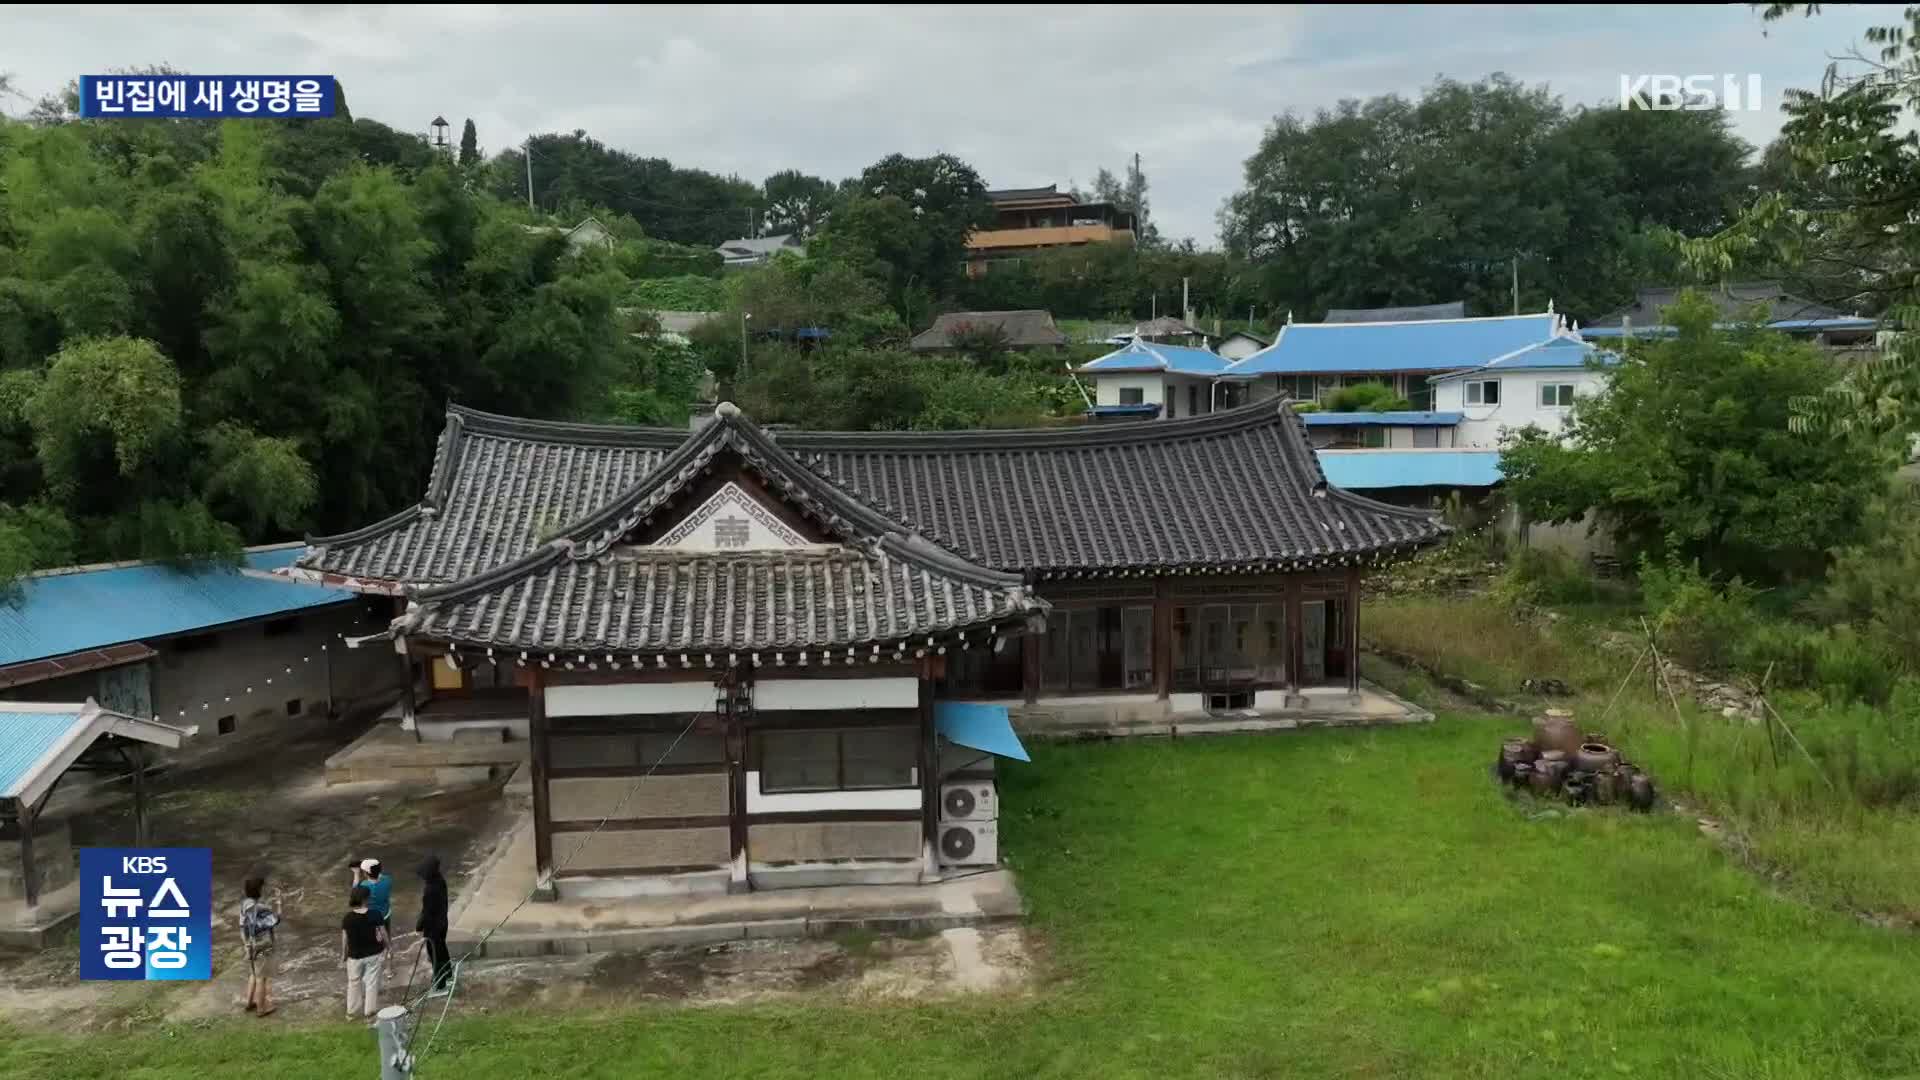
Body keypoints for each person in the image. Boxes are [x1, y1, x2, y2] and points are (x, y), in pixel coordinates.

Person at [340, 884, 387, 1021]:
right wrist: (389, 947)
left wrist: (343, 955)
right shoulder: (375, 914)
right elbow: (383, 933)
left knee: (354, 982)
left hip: (354, 956)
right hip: (374, 954)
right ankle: (370, 1013)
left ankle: (351, 1013)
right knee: (372, 983)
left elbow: (345, 939)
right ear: (366, 899)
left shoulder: (347, 918)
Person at [238, 874, 278, 1017]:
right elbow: (275, 920)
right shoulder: (260, 908)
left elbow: (242, 926)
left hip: (249, 945)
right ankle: (262, 1009)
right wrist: (279, 904)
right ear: (259, 890)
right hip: (262, 946)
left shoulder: (244, 905)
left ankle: (249, 1003)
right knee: (262, 977)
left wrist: (246, 944)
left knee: (253, 974)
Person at [415, 855, 452, 997]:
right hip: (442, 923)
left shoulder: (429, 890)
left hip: (433, 928)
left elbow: (426, 912)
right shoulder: (440, 881)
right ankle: (448, 974)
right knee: (442, 949)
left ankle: (440, 984)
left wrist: (419, 926)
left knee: (435, 955)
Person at [354, 858, 392, 928]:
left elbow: (355, 891)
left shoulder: (364, 885)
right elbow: (379, 875)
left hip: (372, 918)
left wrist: (356, 873)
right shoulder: (387, 880)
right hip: (385, 915)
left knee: (373, 936)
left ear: (365, 873)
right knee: (386, 933)